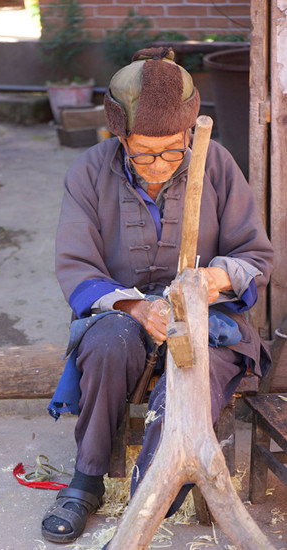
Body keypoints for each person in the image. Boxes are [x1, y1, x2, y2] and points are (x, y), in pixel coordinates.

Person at [41, 46, 274, 544]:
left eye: (172, 150)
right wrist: (134, 306)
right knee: (107, 344)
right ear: (119, 137)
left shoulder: (217, 166)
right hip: (124, 314)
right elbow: (77, 269)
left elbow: (256, 256)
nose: (160, 164)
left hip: (209, 321)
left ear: (190, 133)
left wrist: (210, 281)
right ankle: (86, 483)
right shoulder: (88, 171)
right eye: (143, 152)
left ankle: (154, 492)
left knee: (194, 371)